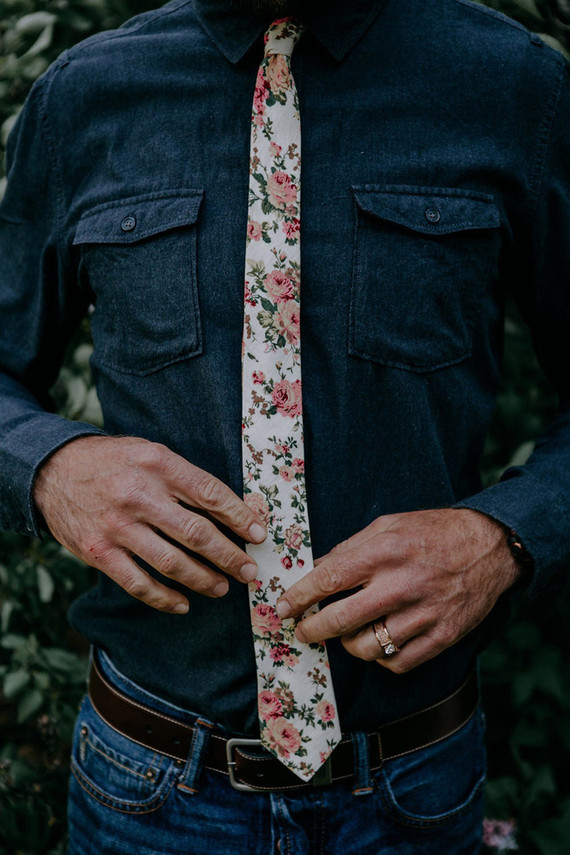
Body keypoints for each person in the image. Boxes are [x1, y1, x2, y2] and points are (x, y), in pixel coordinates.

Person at [0, 0, 568, 850]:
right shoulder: (85, 95)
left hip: (415, 788)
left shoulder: (513, 85)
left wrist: (506, 537)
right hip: (148, 790)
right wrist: (51, 470)